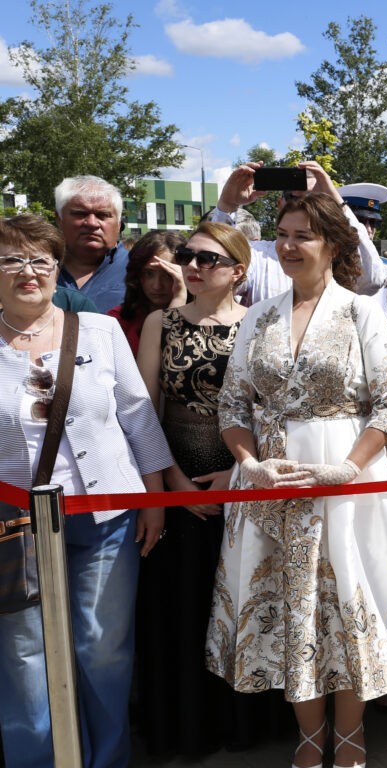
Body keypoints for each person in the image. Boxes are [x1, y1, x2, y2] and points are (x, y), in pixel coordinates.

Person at [206, 193, 387, 768]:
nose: (287, 245)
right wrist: (248, 461)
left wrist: (349, 466)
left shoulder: (362, 311)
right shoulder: (258, 314)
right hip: (269, 482)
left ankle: (350, 735)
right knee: (292, 608)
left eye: (302, 234)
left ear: (332, 244)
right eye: (282, 234)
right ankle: (310, 737)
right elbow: (232, 403)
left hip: (347, 480)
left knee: (344, 607)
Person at [0, 213, 174, 768]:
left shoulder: (97, 330)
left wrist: (152, 498)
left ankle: (107, 761)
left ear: (56, 268)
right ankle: (37, 760)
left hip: (107, 516)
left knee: (101, 649)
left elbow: (138, 416)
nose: (28, 271)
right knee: (25, 655)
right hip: (13, 523)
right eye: (11, 259)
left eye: (40, 260)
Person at [132, 222, 276, 756]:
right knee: (182, 604)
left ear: (239, 271)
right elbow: (145, 413)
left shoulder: (263, 323)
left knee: (242, 600)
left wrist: (242, 471)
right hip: (176, 472)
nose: (192, 266)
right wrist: (172, 484)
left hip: (244, 477)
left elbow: (275, 411)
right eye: (189, 256)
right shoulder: (160, 323)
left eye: (208, 259)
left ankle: (242, 726)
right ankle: (186, 728)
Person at [210, 161, 387, 305]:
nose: (304, 207)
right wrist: (227, 205)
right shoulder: (258, 255)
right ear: (280, 205)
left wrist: (338, 204)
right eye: (295, 199)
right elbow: (213, 275)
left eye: (315, 198)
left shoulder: (335, 255)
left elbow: (372, 279)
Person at [53, 174, 131, 312]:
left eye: (103, 215)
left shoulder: (140, 269)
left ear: (118, 224)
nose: (92, 223)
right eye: (80, 214)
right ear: (59, 219)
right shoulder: (35, 269)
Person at [109, 229, 188, 351]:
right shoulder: (116, 320)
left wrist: (180, 297)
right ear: (136, 275)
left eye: (168, 275)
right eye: (148, 273)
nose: (157, 285)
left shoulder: (206, 319)